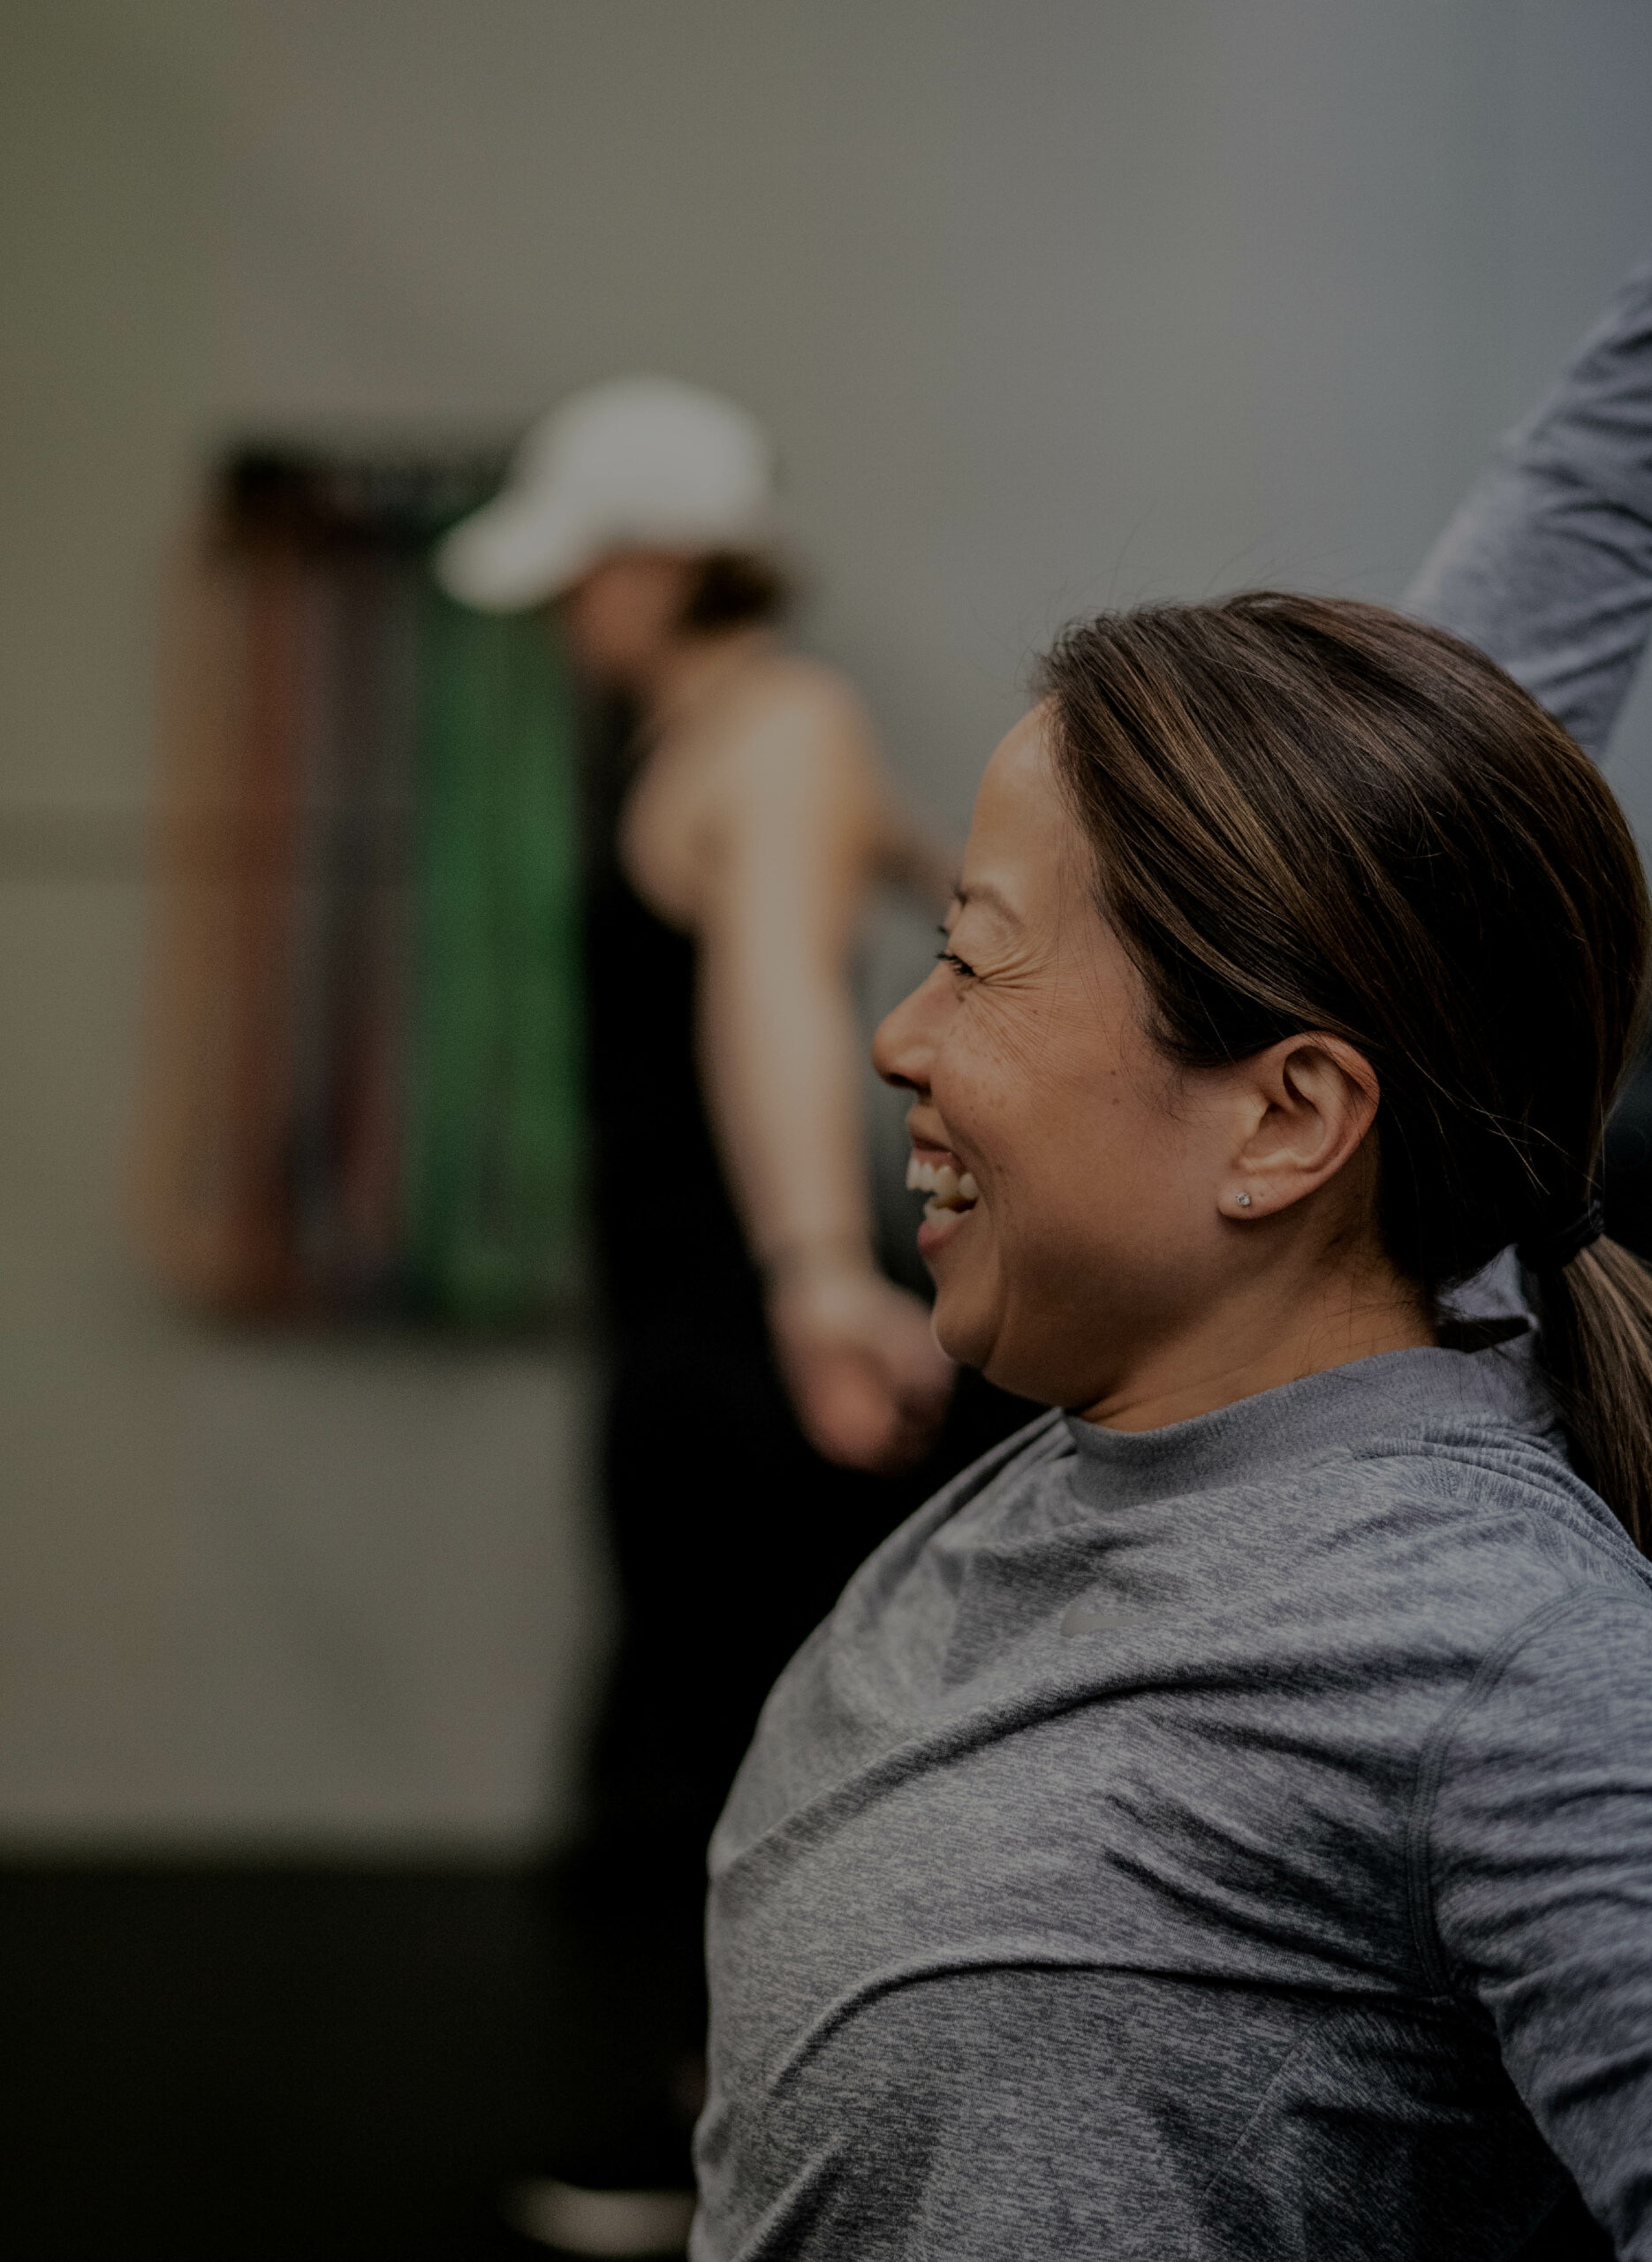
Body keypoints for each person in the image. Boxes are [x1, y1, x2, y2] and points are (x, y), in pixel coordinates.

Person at [688, 70, 1652, 2262]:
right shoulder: (1236, 1333)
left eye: (970, 959)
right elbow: (1440, 756)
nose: (900, 1031)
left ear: (1287, 1118)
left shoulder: (1505, 1674)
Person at [436, 378, 1025, 2253]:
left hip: (731, 1319)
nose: (563, 614)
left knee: (721, 1744)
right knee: (716, 1719)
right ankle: (727, 2112)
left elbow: (771, 993)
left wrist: (808, 1277)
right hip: (693, 1312)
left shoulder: (763, 731)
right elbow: (898, 866)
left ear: (660, 564)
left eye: (583, 572)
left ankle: (735, 2142)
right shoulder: (754, 732)